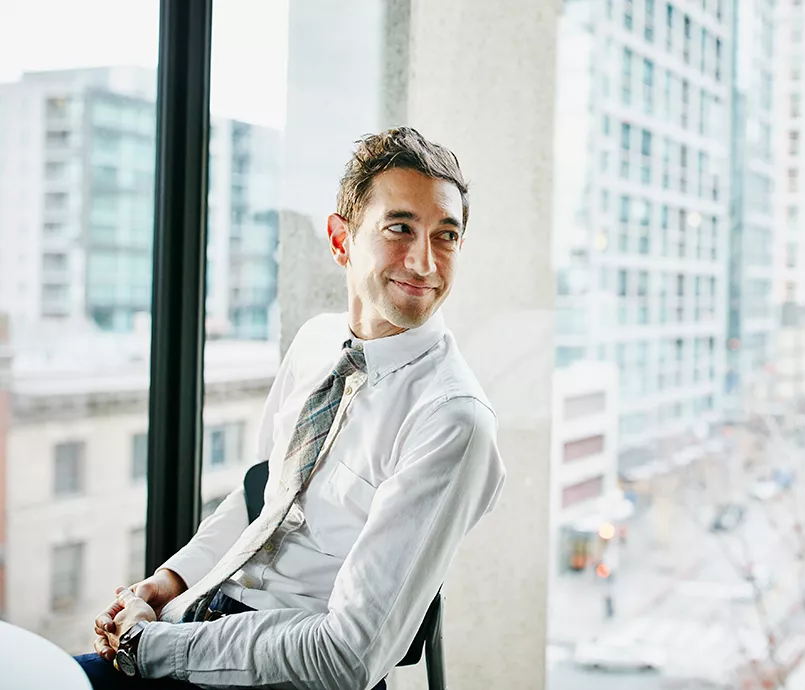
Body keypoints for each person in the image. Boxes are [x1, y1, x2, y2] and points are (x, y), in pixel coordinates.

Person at [75, 127, 506, 690]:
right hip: (197, 623)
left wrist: (146, 644)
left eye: (446, 236)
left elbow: (347, 657)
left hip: (290, 673)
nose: (425, 262)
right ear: (340, 240)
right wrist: (170, 581)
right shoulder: (315, 344)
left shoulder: (452, 421)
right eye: (400, 228)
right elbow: (266, 497)